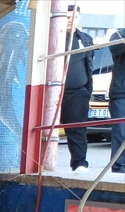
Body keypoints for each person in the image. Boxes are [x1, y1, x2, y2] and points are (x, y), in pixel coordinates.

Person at [61, 5, 97, 173]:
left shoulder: (85, 39)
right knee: (42, 128)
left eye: (74, 17)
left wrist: (87, 89)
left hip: (77, 92)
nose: (70, 21)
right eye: (67, 17)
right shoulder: (52, 37)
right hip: (51, 91)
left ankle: (79, 163)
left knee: (77, 128)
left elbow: (89, 63)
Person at [109, 26, 124, 173]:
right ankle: (120, 169)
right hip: (122, 95)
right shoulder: (119, 34)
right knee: (121, 134)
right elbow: (114, 48)